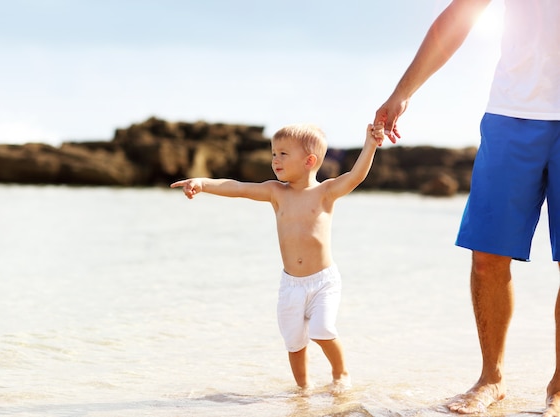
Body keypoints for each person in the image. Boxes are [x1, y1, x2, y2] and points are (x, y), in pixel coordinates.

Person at [373, 0, 560, 414]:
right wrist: (403, 92)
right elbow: (460, 15)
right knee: (487, 257)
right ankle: (491, 379)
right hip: (511, 115)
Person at [171, 122, 383, 391]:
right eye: (273, 153)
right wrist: (202, 183)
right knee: (294, 342)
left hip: (323, 282)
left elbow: (356, 175)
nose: (275, 160)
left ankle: (340, 373)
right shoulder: (276, 192)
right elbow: (238, 188)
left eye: (283, 154)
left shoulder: (325, 192)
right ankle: (303, 390)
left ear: (309, 161)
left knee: (322, 330)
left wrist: (371, 144)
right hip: (291, 285)